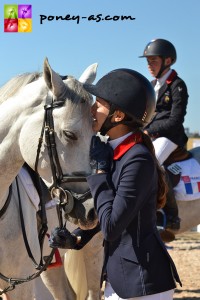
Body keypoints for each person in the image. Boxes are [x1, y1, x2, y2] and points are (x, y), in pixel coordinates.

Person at [50, 68, 182, 299]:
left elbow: (112, 226)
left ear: (118, 116)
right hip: (122, 278)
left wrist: (100, 172)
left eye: (99, 103)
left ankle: (172, 217)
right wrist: (78, 237)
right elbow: (113, 211)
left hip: (142, 281)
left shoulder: (137, 158)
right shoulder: (117, 151)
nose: (91, 109)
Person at [139, 38, 189, 230]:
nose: (149, 65)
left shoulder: (177, 85)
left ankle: (171, 215)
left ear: (167, 61)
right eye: (148, 61)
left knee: (153, 163)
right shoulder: (152, 84)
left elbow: (176, 120)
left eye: (153, 61)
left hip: (170, 137)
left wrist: (149, 130)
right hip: (152, 135)